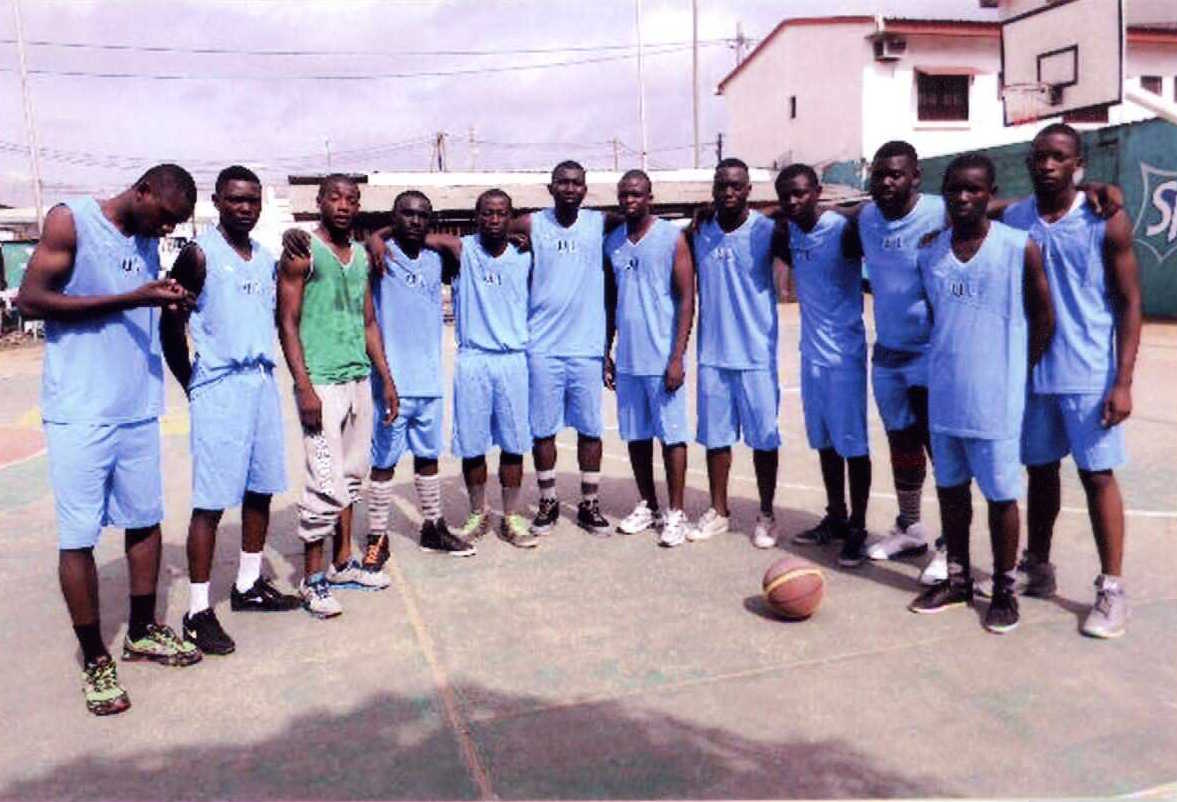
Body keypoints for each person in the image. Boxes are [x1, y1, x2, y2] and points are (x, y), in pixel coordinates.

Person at [16, 164, 202, 715]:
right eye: (164, 217)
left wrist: (165, 301)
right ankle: (96, 657)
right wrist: (131, 299)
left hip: (137, 408)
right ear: (141, 191)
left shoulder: (145, 240)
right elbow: (30, 301)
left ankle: (142, 631)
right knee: (79, 537)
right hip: (81, 412)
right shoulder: (71, 220)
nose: (165, 231)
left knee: (144, 520)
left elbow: (140, 301)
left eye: (174, 225)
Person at [1002, 123, 1142, 638]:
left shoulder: (1106, 218)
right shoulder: (1016, 218)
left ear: (1078, 161)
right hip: (1034, 369)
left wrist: (1123, 381)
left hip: (1088, 371)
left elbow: (1129, 304)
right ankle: (1037, 565)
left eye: (1059, 156)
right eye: (1040, 156)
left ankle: (1112, 588)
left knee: (1097, 476)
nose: (1047, 164)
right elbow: (975, 205)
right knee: (1040, 472)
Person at [908, 153, 1053, 634]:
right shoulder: (930, 252)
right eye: (955, 190)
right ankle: (958, 579)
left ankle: (1006, 589)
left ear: (990, 194)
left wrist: (1015, 369)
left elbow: (1043, 318)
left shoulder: (1018, 246)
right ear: (945, 193)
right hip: (945, 394)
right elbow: (938, 318)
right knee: (951, 493)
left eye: (974, 189)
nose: (964, 197)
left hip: (996, 399)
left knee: (1000, 497)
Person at [161, 165, 301, 656]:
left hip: (260, 382)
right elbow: (169, 324)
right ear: (217, 202)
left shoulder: (264, 259)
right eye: (236, 199)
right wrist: (192, 383)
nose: (245, 207)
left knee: (260, 489)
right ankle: (198, 610)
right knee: (211, 501)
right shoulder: (199, 255)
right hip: (219, 386)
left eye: (253, 200)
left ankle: (247, 585)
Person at [277, 174, 399, 618]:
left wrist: (385, 377)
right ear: (320, 202)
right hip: (322, 384)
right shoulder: (301, 252)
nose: (344, 205)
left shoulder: (363, 256)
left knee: (351, 477)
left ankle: (343, 563)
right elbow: (287, 323)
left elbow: (368, 320)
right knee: (323, 483)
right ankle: (312, 582)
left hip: (358, 379)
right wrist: (304, 386)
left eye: (351, 198)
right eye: (335, 197)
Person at [421, 190, 537, 549]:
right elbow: (415, 234)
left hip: (513, 359)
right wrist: (378, 238)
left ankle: (512, 516)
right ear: (477, 217)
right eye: (487, 214)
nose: (494, 220)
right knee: (473, 445)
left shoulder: (525, 255)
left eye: (501, 214)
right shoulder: (462, 250)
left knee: (513, 445)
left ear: (510, 217)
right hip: (473, 359)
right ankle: (478, 511)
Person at [364, 191, 475, 561]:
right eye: (406, 214)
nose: (414, 220)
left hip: (428, 379)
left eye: (422, 215)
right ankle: (377, 536)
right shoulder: (380, 256)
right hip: (392, 383)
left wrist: (416, 233)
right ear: (393, 217)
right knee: (383, 462)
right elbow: (367, 242)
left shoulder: (433, 261)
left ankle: (433, 526)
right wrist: (378, 236)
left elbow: (453, 242)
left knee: (428, 457)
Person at [775, 164, 872, 566]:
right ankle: (836, 516)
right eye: (786, 196)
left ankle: (859, 527)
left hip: (845, 354)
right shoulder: (787, 231)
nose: (794, 201)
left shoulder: (843, 230)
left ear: (817, 191)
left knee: (854, 446)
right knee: (826, 443)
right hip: (810, 353)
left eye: (801, 193)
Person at [508, 161, 612, 537]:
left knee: (590, 431)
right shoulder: (531, 224)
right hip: (543, 346)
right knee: (543, 432)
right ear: (550, 188)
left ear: (585, 189)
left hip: (585, 347)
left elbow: (644, 220)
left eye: (577, 183)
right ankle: (548, 501)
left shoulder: (600, 223)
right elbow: (487, 229)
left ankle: (589, 504)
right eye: (562, 183)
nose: (570, 188)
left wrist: (700, 216)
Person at [691, 158, 781, 548]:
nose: (728, 192)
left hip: (756, 353)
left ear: (748, 190)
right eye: (722, 185)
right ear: (713, 188)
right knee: (716, 439)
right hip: (713, 353)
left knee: (764, 439)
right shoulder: (699, 231)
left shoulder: (767, 230)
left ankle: (766, 514)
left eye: (736, 186)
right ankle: (719, 511)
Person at [604, 170, 696, 546]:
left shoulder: (671, 237)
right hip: (627, 359)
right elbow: (611, 302)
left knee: (671, 438)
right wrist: (604, 352)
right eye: (624, 194)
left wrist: (677, 356)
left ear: (650, 197)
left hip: (662, 359)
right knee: (637, 437)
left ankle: (676, 513)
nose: (630, 200)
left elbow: (687, 297)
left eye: (637, 194)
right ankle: (649, 504)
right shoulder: (613, 242)